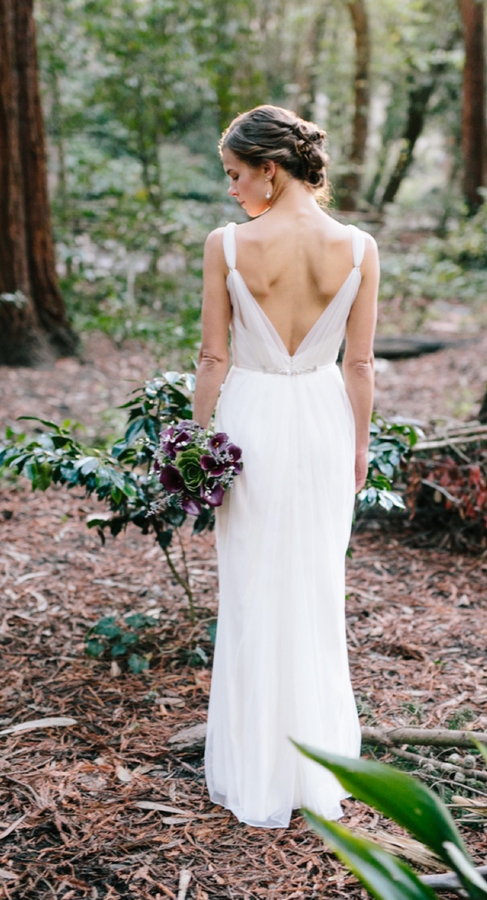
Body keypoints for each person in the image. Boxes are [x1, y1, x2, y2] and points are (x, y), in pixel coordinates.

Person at [192, 105, 379, 828]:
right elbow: (358, 363)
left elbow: (214, 357)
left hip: (252, 421)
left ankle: (257, 768)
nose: (233, 191)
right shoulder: (359, 246)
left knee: (250, 592)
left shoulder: (228, 245)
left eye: (237, 175)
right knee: (315, 588)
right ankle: (317, 765)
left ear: (270, 167)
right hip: (325, 420)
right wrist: (359, 445)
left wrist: (194, 440)